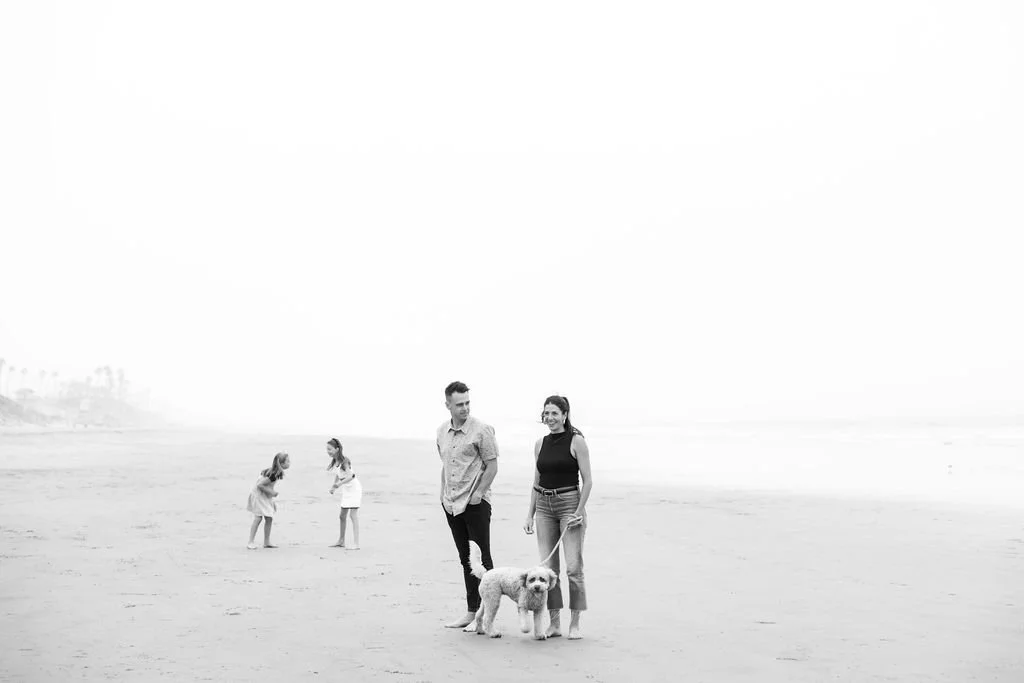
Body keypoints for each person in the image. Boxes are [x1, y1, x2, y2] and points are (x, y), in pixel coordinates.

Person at [523, 395, 592, 639]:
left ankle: (574, 624)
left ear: (565, 415)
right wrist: (530, 514)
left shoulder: (577, 441)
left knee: (574, 568)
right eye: (546, 413)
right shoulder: (540, 443)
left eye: (554, 413)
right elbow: (536, 481)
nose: (550, 418)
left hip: (569, 505)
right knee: (548, 569)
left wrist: (578, 512)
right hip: (543, 506)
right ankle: (554, 624)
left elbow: (588, 480)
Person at [437, 381, 499, 629]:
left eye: (467, 403)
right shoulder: (441, 431)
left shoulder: (482, 430)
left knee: (482, 561)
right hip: (451, 504)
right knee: (465, 559)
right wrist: (442, 494)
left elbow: (492, 465)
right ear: (448, 405)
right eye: (459, 404)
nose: (464, 408)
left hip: (475, 503)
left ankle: (487, 617)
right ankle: (471, 611)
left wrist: (479, 493)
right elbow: (446, 464)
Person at [247, 451, 290, 549]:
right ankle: (250, 542)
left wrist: (270, 496)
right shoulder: (273, 474)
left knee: (269, 517)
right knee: (258, 517)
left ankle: (266, 542)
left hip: (264, 496)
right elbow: (260, 485)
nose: (289, 463)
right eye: (287, 461)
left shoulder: (275, 472)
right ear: (281, 464)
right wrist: (272, 493)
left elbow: (265, 485)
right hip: (258, 496)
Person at [326, 437, 362, 549]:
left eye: (330, 449)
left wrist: (339, 484)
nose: (328, 451)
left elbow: (351, 476)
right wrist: (334, 486)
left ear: (337, 449)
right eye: (327, 449)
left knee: (353, 515)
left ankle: (356, 544)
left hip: (354, 489)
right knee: (342, 516)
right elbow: (338, 473)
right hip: (347, 490)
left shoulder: (344, 461)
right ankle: (341, 541)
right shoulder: (335, 461)